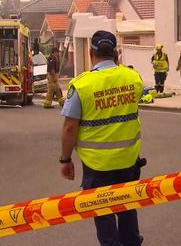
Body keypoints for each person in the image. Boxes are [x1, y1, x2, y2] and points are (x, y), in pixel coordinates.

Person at [60, 30, 144, 246]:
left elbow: (70, 127)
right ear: (116, 53)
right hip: (128, 159)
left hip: (97, 164)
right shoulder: (133, 78)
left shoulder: (81, 85)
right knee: (127, 208)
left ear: (90, 52)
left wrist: (65, 160)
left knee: (103, 214)